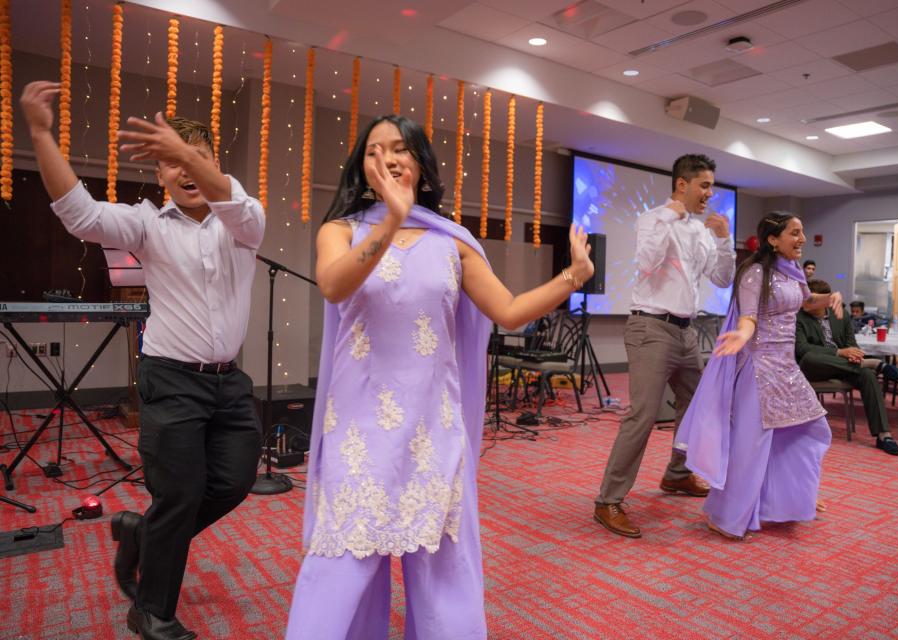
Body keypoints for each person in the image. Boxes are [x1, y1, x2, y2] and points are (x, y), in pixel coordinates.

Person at [284, 115, 593, 639]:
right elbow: (334, 285)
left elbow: (510, 310)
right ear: (363, 168)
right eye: (374, 150)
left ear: (422, 168)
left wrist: (573, 276)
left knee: (441, 567)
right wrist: (388, 223)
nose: (387, 157)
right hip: (359, 429)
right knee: (342, 557)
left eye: (400, 148)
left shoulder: (454, 241)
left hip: (434, 428)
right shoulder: (341, 230)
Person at [21, 81, 265, 640]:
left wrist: (187, 154)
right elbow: (77, 213)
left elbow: (235, 202)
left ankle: (140, 534)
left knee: (232, 483)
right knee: (178, 495)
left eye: (196, 159)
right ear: (158, 176)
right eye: (171, 163)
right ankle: (151, 610)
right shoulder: (146, 225)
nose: (184, 171)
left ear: (212, 166)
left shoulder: (243, 219)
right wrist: (39, 132)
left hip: (229, 384)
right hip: (171, 380)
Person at [594, 153, 735, 538]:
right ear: (682, 185)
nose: (710, 193)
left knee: (698, 405)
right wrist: (671, 215)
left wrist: (724, 241)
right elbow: (648, 261)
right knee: (642, 415)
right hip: (651, 328)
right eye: (704, 185)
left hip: (686, 333)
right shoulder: (653, 218)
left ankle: (677, 474)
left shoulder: (704, 231)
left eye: (711, 186)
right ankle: (608, 499)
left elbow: (722, 279)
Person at [676, 213, 837, 540]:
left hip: (786, 368)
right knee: (751, 445)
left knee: (804, 430)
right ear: (773, 239)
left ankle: (789, 500)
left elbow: (806, 302)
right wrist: (741, 335)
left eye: (802, 231)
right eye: (795, 232)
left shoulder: (793, 274)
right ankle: (726, 515)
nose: (802, 238)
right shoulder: (754, 275)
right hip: (759, 368)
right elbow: (748, 317)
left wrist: (830, 299)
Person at [796, 280, 898, 455]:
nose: (805, 302)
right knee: (810, 357)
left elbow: (851, 344)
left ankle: (884, 435)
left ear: (826, 301)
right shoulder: (798, 317)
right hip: (813, 368)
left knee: (867, 375)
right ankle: (874, 363)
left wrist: (853, 353)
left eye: (811, 299)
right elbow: (801, 348)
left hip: (844, 367)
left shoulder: (841, 315)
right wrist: (840, 353)